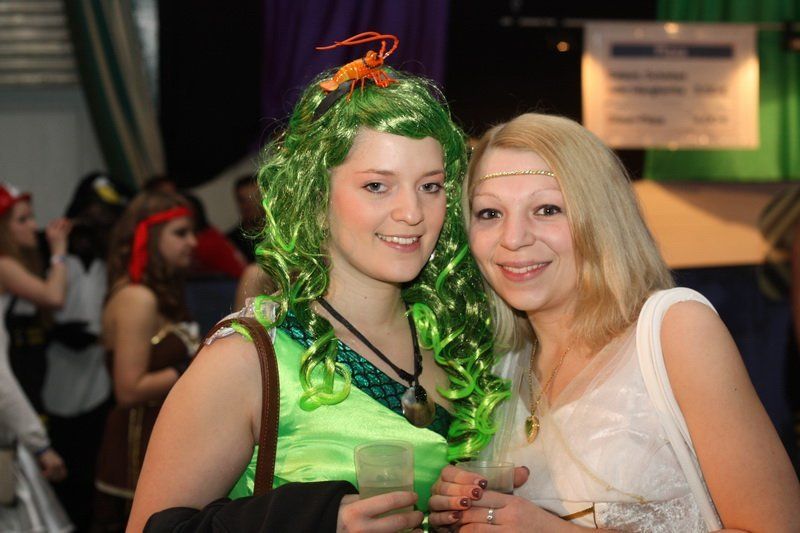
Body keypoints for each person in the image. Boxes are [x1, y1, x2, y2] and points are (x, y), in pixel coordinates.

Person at [128, 42, 502, 532]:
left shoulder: (457, 338)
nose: (413, 213)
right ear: (315, 195)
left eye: (430, 186)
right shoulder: (248, 358)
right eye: (377, 186)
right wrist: (315, 520)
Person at [428, 113, 800, 531]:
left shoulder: (672, 330)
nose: (514, 238)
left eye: (548, 209)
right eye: (489, 213)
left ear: (601, 218)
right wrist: (461, 510)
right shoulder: (498, 365)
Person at [92, 191, 199, 531]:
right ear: (150, 238)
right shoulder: (137, 298)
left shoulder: (160, 293)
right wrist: (193, 369)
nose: (193, 242)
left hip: (162, 437)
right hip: (137, 446)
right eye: (180, 233)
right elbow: (128, 389)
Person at [43, 172, 126, 531]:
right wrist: (52, 330)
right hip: (54, 377)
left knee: (94, 467)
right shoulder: (51, 251)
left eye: (106, 213)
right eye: (92, 209)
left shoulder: (114, 256)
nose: (97, 219)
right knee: (63, 474)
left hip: (99, 379)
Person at [0, 183, 71, 529]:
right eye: (22, 219)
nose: (33, 226)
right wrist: (59, 252)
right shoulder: (2, 264)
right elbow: (54, 297)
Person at [226, 175, 262, 263]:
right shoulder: (230, 242)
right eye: (243, 200)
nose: (249, 205)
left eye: (254, 198)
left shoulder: (280, 232)